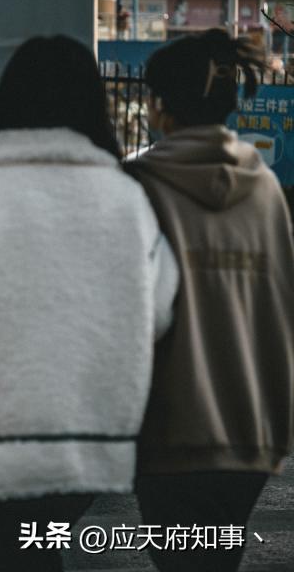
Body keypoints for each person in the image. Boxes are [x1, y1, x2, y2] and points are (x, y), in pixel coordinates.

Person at [0, 35, 179, 572]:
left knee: (13, 558)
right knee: (46, 551)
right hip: (92, 435)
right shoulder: (126, 199)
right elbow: (156, 312)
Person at [127, 29, 294, 572]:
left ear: (160, 105)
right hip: (252, 429)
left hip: (170, 429)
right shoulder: (264, 188)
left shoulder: (140, 184)